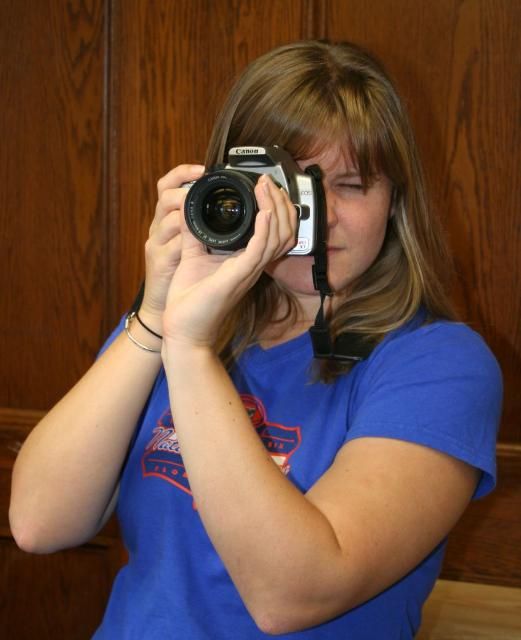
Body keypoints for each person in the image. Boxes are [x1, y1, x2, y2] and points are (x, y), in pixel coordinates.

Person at [9, 40, 502, 639]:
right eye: (289, 186)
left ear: (395, 201)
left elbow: (291, 596)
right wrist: (157, 311)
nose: (314, 217)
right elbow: (39, 522)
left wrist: (188, 351)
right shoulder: (183, 321)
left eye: (348, 185)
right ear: (233, 187)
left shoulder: (437, 365)